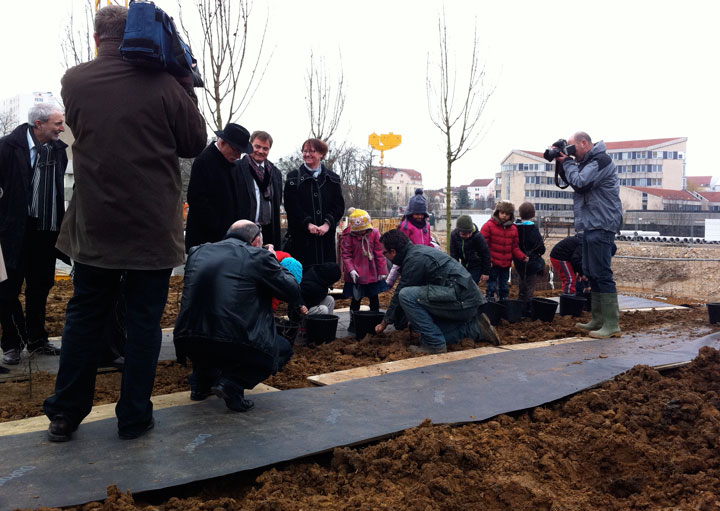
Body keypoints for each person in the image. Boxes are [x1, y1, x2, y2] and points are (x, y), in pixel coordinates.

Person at [42, 5, 207, 442]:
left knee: (84, 317)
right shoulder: (165, 84)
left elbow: (87, 130)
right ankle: (133, 416)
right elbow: (193, 142)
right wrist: (185, 81)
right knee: (143, 324)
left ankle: (65, 414)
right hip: (152, 230)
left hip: (97, 226)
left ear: (98, 38)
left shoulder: (74, 81)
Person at [173, 220, 300, 411]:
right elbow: (292, 291)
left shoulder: (198, 251)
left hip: (187, 337)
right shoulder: (257, 256)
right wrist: (272, 259)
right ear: (256, 241)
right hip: (230, 339)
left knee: (208, 331)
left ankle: (200, 382)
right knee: (281, 348)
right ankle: (232, 384)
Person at [0, 104, 68, 365]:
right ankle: (12, 343)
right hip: (12, 232)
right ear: (38, 124)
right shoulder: (6, 147)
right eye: (57, 123)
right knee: (6, 290)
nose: (62, 128)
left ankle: (37, 340)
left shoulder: (58, 151)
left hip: (45, 230)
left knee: (40, 287)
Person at [374, 229, 499, 353]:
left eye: (384, 253)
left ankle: (434, 345)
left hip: (462, 301)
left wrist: (384, 323)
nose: (385, 256)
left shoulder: (414, 261)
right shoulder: (417, 252)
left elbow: (399, 295)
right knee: (427, 331)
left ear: (393, 252)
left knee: (406, 295)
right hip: (466, 300)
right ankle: (475, 328)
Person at [555, 131, 623, 338]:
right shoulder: (587, 162)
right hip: (590, 224)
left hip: (602, 223)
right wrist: (562, 162)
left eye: (572, 147)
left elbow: (581, 182)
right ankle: (598, 319)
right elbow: (575, 181)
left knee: (602, 273)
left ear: (584, 143)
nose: (571, 153)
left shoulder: (600, 160)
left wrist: (566, 162)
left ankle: (612, 324)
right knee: (591, 272)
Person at [184, 123, 253, 251]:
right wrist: (222, 228)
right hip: (206, 241)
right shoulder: (204, 161)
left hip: (228, 239)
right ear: (222, 143)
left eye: (241, 152)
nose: (238, 156)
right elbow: (197, 200)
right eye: (235, 150)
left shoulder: (231, 163)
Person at [283, 138, 344, 268]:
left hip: (325, 241)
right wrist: (307, 223)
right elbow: (291, 206)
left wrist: (327, 224)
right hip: (301, 239)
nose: (307, 154)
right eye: (305, 151)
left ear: (321, 154)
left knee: (323, 277)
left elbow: (338, 206)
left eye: (312, 151)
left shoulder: (332, 179)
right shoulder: (293, 178)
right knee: (302, 277)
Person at [340, 208, 388, 333]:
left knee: (374, 298)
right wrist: (351, 270)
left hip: (372, 273)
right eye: (359, 231)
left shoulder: (374, 234)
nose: (361, 234)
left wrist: (382, 271)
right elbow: (346, 255)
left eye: (363, 231)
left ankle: (375, 322)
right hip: (356, 274)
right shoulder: (348, 236)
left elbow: (379, 253)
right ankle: (353, 323)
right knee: (356, 299)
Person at [236, 131, 283, 248]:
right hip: (243, 229)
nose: (261, 151)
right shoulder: (236, 168)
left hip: (268, 230)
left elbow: (277, 202)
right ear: (250, 145)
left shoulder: (275, 172)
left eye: (265, 148)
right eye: (257, 146)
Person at [480, 200, 528, 302]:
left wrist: (522, 256)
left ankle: (503, 302)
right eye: (502, 213)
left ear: (511, 215)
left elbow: (514, 247)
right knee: (491, 284)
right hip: (493, 263)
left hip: (505, 263)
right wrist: (488, 260)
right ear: (497, 212)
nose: (504, 216)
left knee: (504, 285)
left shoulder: (513, 229)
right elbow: (483, 246)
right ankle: (490, 301)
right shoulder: (488, 226)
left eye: (507, 214)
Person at [386, 188, 434, 287]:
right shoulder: (405, 226)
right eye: (416, 214)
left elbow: (428, 240)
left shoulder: (426, 226)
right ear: (410, 213)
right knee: (411, 283)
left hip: (425, 259)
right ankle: (390, 283)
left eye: (422, 214)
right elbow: (401, 247)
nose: (419, 216)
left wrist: (431, 250)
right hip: (410, 262)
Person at [513, 202, 546, 302]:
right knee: (530, 285)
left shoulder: (515, 227)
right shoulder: (533, 229)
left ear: (519, 213)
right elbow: (540, 247)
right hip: (531, 262)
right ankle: (527, 306)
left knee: (522, 282)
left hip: (518, 261)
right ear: (533, 214)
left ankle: (520, 302)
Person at [449, 214, 491, 285]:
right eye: (464, 234)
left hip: (476, 265)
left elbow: (485, 254)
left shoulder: (478, 237)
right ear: (458, 231)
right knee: (461, 283)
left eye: (469, 233)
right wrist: (454, 270)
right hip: (463, 264)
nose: (467, 236)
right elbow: (454, 254)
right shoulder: (454, 236)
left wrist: (485, 272)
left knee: (472, 285)